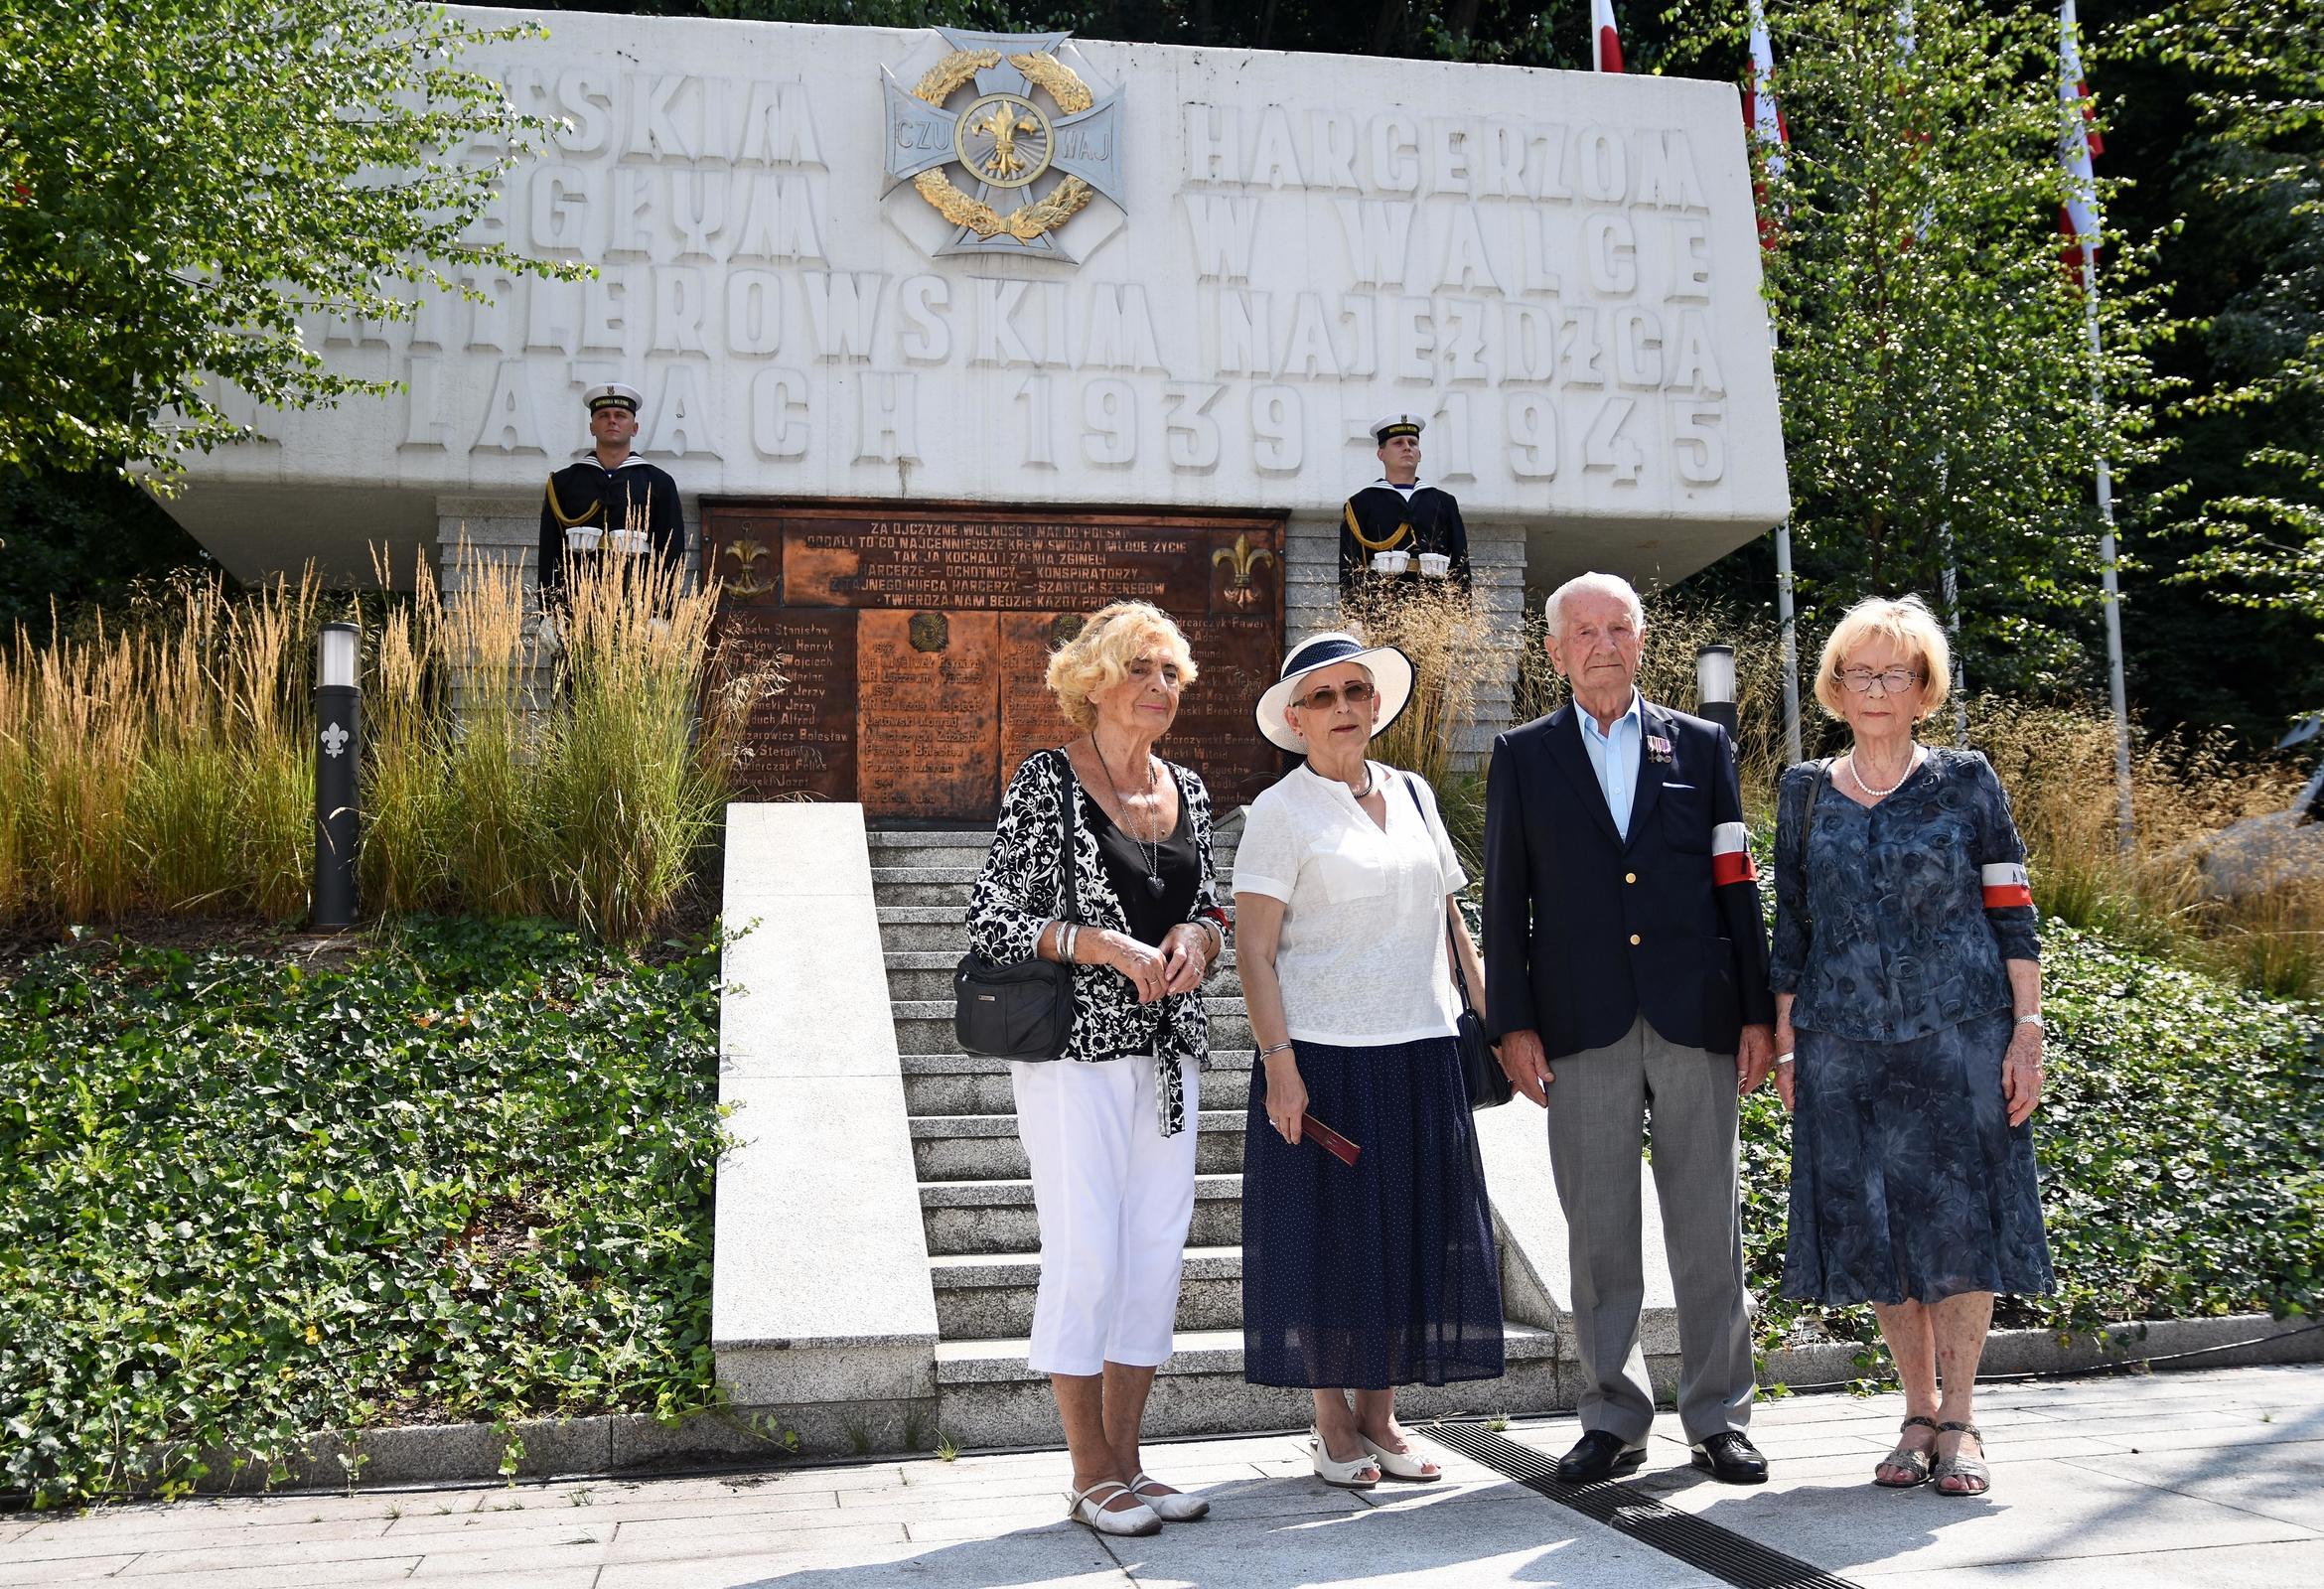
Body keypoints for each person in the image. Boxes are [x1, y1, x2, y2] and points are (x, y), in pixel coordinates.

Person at [1482, 572, 1776, 1487]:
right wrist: (1512, 1025)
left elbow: (1737, 887)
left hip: (1696, 1018)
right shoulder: (1522, 756)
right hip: (1579, 1022)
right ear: (1555, 651)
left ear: (1642, 643)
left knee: (1706, 1226)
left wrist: (1761, 1013)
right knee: (1598, 1232)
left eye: (1620, 629)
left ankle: (1719, 1416)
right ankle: (1612, 1416)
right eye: (1585, 632)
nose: (1603, 645)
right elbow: (1503, 904)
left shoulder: (1703, 746)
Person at [1771, 595, 2051, 1499]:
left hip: (1963, 1033)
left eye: (1897, 673)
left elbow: (2012, 904)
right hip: (1843, 1041)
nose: (1878, 689)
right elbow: (1794, 924)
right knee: (1882, 1227)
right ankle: (1915, 1413)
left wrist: (2028, 1028)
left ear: (1924, 689)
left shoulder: (1967, 781)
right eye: (1861, 673)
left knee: (1962, 1221)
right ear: (1836, 689)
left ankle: (1962, 1421)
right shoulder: (1804, 790)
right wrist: (1784, 1042)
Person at [964, 601, 1231, 1537]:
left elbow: (1216, 906)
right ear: (1093, 682)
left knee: (1155, 1254)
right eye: (1142, 669)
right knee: (1087, 1251)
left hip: (1168, 1055)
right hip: (1074, 1055)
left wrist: (1199, 936)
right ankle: (1086, 1472)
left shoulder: (1187, 790)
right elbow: (993, 918)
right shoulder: (1049, 782)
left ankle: (1130, 1463)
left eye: (1171, 673)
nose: (1160, 688)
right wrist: (1099, 944)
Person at [1233, 631, 1504, 1491]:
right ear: (1297, 720)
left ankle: (1382, 1418)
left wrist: (1496, 1017)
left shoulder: (1417, 794)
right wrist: (1280, 1062)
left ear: (1376, 705)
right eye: (1325, 698)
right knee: (1329, 1242)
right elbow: (1252, 952)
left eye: (1357, 692)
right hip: (1324, 1059)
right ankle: (1331, 1425)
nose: (1345, 708)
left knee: (1403, 1236)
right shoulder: (1279, 813)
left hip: (1420, 1050)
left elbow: (1452, 919)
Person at [535, 381, 686, 608]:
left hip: (637, 609)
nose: (612, 420)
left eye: (620, 415)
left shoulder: (658, 483)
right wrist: (549, 611)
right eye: (603, 415)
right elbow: (549, 552)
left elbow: (671, 552)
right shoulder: (563, 483)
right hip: (577, 605)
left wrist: (661, 612)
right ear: (592, 427)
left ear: (634, 428)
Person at [1338, 413, 1471, 591]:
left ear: (1420, 454)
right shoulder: (1361, 504)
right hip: (1382, 605)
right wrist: (1356, 616)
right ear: (1381, 454)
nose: (1407, 447)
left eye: (1413, 443)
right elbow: (1351, 569)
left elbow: (1460, 565)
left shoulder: (1444, 502)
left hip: (1435, 605)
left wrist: (1461, 615)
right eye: (1398, 443)